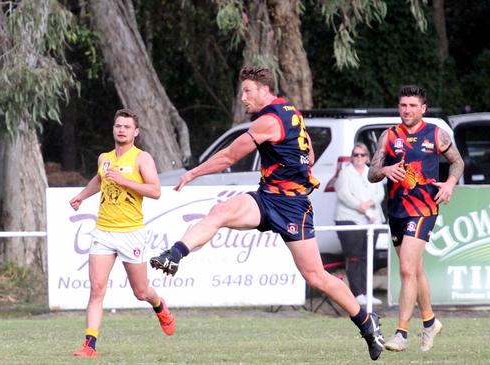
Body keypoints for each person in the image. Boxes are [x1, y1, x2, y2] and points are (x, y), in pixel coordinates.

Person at [150, 66, 385, 361]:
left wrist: (193, 172)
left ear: (264, 90)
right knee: (220, 212)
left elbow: (229, 156)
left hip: (292, 206)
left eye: (247, 91)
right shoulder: (290, 111)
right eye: (242, 92)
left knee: (316, 276)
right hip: (266, 198)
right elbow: (309, 154)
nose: (243, 98)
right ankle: (175, 253)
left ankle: (366, 322)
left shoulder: (269, 120)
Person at [68, 109, 176, 358]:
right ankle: (89, 346)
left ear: (135, 132)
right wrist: (81, 196)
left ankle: (159, 305)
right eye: (118, 126)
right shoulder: (104, 157)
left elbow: (155, 191)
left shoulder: (142, 158)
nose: (121, 130)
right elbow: (99, 179)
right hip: (104, 231)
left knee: (140, 292)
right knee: (96, 289)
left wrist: (125, 181)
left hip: (130, 232)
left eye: (127, 127)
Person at [368, 85, 464, 352]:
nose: (407, 110)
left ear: (423, 108)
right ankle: (430, 321)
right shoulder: (389, 136)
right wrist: (385, 169)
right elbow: (372, 173)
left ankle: (401, 332)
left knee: (407, 270)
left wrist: (450, 184)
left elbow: (458, 162)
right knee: (416, 269)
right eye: (403, 105)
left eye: (412, 106)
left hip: (424, 208)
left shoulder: (436, 134)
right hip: (396, 210)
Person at [334, 143, 385, 306]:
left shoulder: (372, 172)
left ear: (367, 157)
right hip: (349, 218)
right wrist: (360, 206)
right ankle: (356, 293)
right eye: (356, 155)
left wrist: (369, 204)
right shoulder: (345, 173)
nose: (359, 158)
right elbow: (343, 194)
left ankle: (366, 292)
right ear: (352, 157)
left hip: (372, 220)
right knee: (354, 257)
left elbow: (380, 193)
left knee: (368, 257)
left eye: (362, 155)